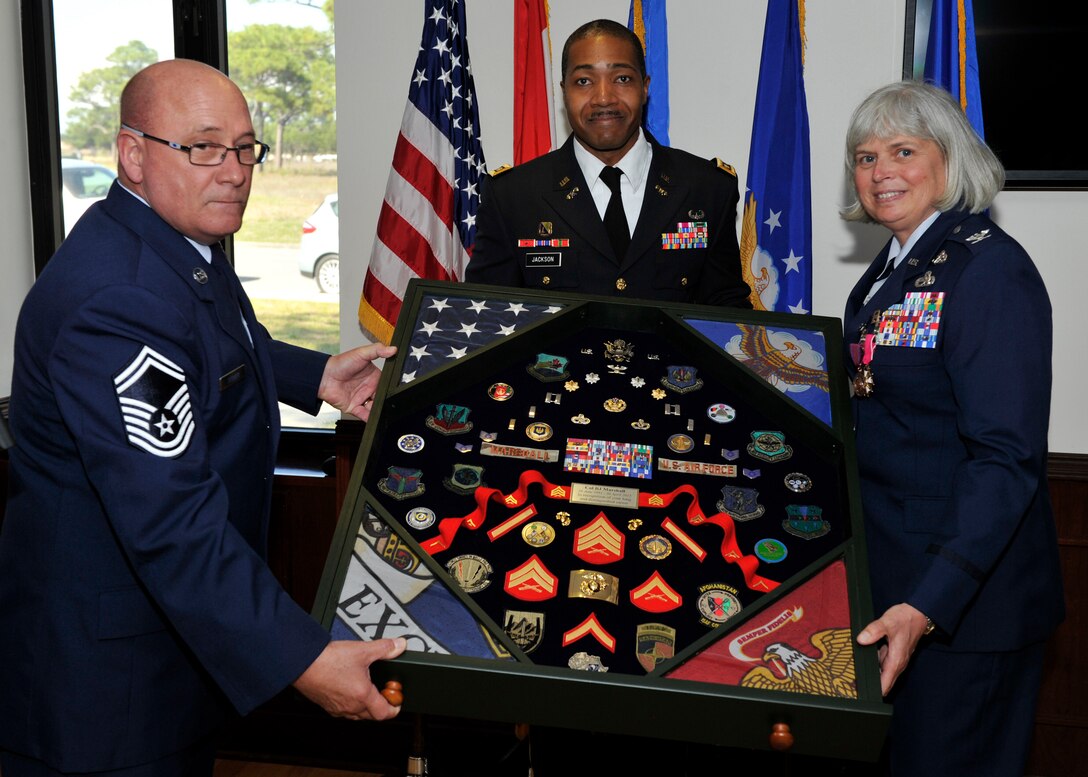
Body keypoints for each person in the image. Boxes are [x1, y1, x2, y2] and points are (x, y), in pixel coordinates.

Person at [0, 59, 406, 776]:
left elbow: (211, 342)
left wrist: (315, 376)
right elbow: (172, 523)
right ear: (133, 155)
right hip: (104, 695)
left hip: (165, 649)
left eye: (246, 148)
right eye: (204, 147)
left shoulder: (173, 241)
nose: (235, 170)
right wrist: (303, 656)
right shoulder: (115, 301)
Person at [841, 80, 1065, 776]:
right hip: (894, 591)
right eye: (866, 156)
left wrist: (927, 604)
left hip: (964, 611)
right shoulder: (888, 272)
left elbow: (1005, 458)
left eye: (903, 151)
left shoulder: (989, 269)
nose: (881, 171)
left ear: (950, 160)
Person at [466, 18, 751, 308]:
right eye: (584, 81)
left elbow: (726, 312)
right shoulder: (512, 196)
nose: (603, 98)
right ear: (564, 92)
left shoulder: (707, 188)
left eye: (622, 79)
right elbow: (488, 315)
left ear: (645, 87)